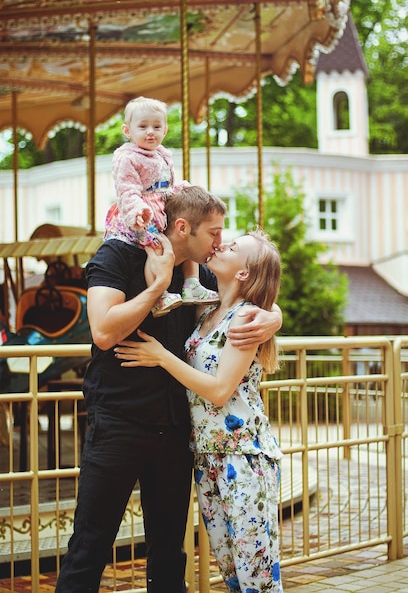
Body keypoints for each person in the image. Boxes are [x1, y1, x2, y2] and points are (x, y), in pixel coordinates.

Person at [54, 186, 283, 593]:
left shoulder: (200, 272)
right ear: (183, 227)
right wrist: (156, 287)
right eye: (214, 233)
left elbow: (253, 287)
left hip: (178, 434)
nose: (218, 242)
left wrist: (273, 318)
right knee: (90, 545)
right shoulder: (118, 255)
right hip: (120, 423)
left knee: (169, 555)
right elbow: (104, 331)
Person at [115, 228, 284, 593]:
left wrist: (161, 357)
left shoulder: (246, 318)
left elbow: (221, 390)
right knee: (231, 573)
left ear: (243, 272)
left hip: (244, 458)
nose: (222, 244)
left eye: (234, 246)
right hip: (207, 458)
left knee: (258, 578)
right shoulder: (207, 308)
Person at [104, 95, 218, 317]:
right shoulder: (126, 157)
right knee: (155, 247)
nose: (150, 132)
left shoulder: (163, 155)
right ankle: (159, 295)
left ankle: (191, 284)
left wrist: (185, 189)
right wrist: (138, 211)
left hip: (161, 207)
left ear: (164, 130)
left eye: (156, 126)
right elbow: (127, 189)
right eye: (143, 126)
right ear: (127, 131)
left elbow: (168, 185)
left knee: (186, 239)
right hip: (140, 213)